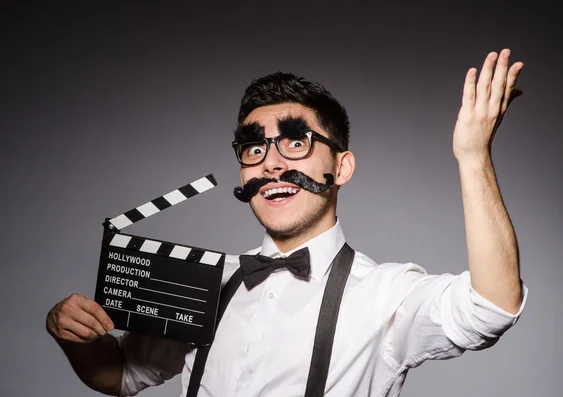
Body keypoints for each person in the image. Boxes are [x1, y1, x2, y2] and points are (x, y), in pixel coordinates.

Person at [46, 48, 528, 396]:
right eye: (256, 147)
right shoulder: (201, 285)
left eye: (296, 142)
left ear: (341, 168)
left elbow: (492, 306)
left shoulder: (387, 295)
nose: (272, 163)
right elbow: (119, 375)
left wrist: (472, 156)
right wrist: (75, 337)